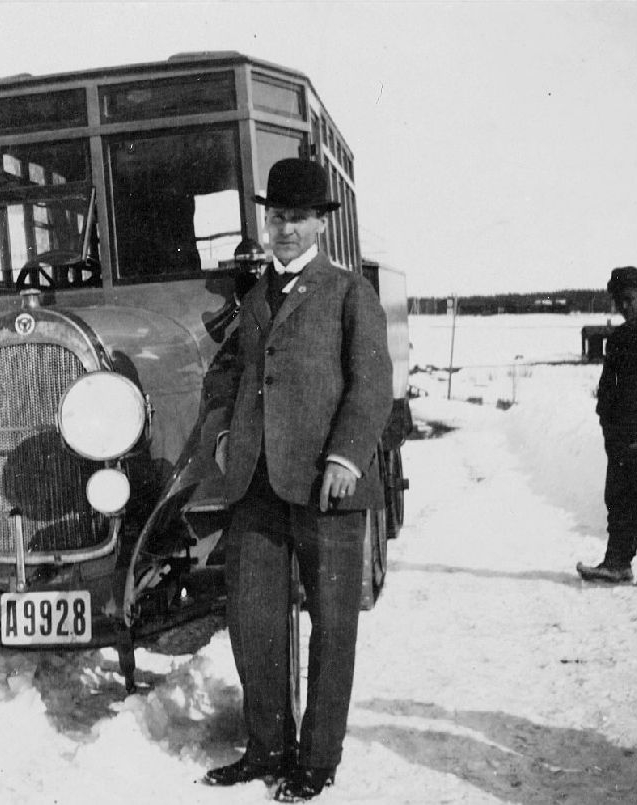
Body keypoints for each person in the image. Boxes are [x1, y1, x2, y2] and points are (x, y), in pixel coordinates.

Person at [200, 158, 393, 801]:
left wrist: (345, 458)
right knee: (253, 621)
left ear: (319, 225)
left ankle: (317, 761)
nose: (285, 229)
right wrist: (223, 435)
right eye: (277, 217)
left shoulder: (349, 293)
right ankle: (266, 748)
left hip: (325, 487)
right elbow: (223, 377)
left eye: (298, 218)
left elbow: (372, 385)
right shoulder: (253, 299)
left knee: (332, 626)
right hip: (255, 486)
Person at [576, 266, 637, 588]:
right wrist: (608, 424)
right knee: (618, 500)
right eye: (619, 301)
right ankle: (617, 564)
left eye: (629, 299)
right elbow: (609, 390)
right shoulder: (618, 340)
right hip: (620, 437)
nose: (624, 307)